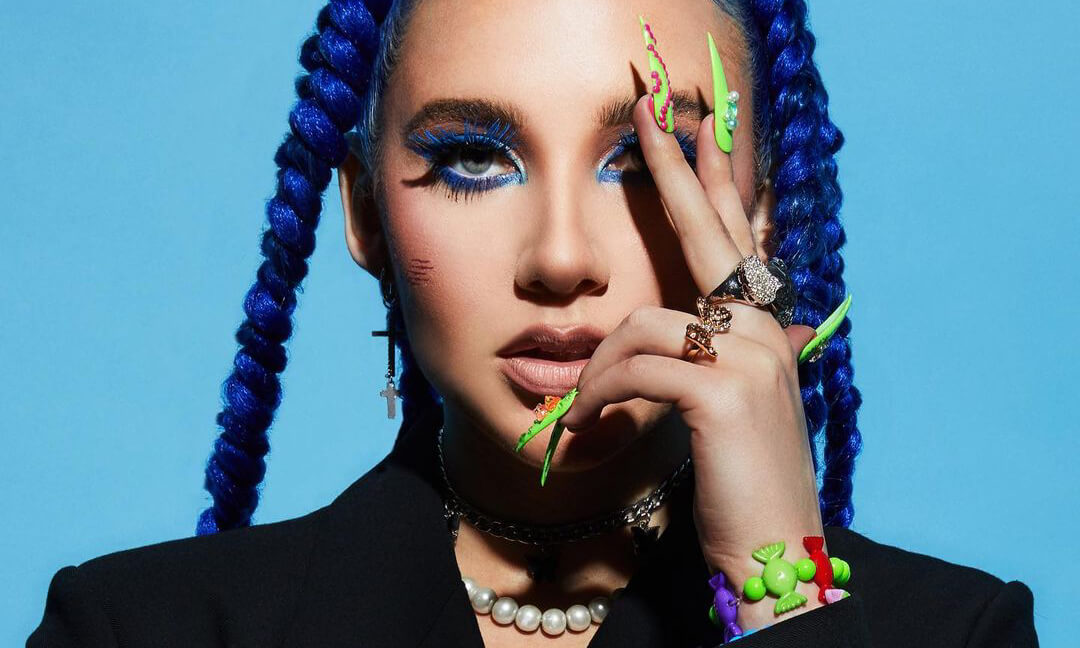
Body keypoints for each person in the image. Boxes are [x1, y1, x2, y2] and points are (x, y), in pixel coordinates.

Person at [27, 0, 1038, 646]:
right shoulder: (133, 629)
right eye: (473, 159)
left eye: (644, 164)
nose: (560, 259)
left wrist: (780, 592)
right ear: (367, 213)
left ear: (760, 219)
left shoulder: (957, 632)